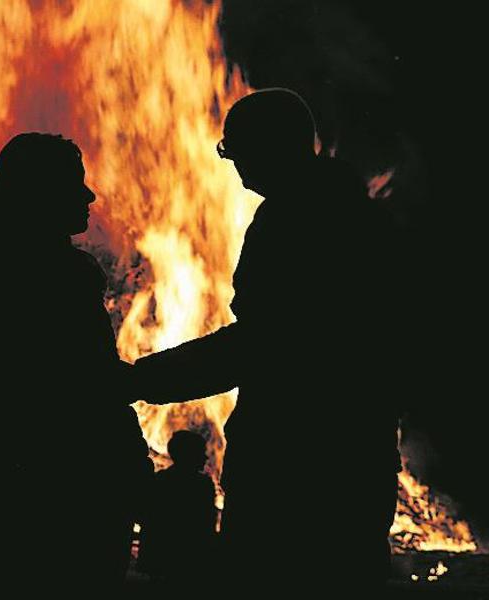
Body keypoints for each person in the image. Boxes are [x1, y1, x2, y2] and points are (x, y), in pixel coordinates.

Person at [131, 89, 403, 593]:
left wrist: (140, 380)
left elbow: (259, 347)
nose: (233, 163)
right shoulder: (362, 218)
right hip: (358, 464)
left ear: (267, 147)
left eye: (236, 150)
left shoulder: (293, 221)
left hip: (287, 477)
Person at [0, 132, 151, 587]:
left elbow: (98, 393)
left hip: (78, 507)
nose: (88, 195)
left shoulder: (51, 279)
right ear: (38, 194)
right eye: (74, 183)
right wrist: (8, 486)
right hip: (47, 515)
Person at [137, 429, 216, 582]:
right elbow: (206, 527)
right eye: (201, 452)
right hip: (191, 562)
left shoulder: (161, 481)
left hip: (161, 561)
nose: (205, 457)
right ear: (190, 454)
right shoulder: (202, 486)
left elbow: (147, 518)